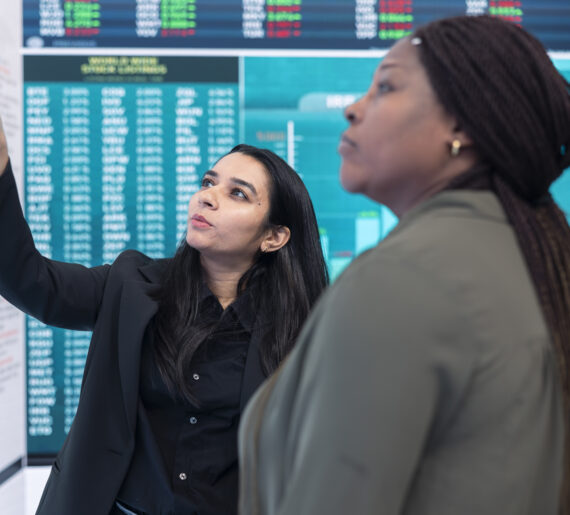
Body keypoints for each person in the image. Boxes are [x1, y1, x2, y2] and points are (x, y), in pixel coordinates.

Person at [0, 44, 329, 514]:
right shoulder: (133, 285)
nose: (207, 198)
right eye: (208, 182)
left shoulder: (304, 329)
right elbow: (26, 279)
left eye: (237, 194)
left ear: (274, 237)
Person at [238, 15, 570, 515]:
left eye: (386, 87)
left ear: (461, 124)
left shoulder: (402, 280)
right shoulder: (538, 255)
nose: (353, 109)